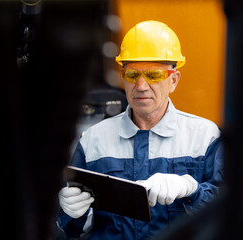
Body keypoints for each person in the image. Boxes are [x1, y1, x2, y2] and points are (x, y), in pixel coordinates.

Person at [56, 20, 223, 239]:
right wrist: (71, 213)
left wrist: (193, 192)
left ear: (173, 80)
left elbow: (227, 215)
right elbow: (72, 230)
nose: (141, 86)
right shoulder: (93, 141)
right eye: (133, 75)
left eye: (153, 75)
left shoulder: (204, 137)